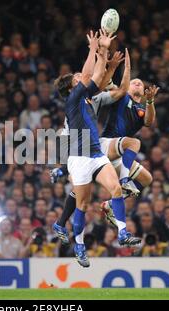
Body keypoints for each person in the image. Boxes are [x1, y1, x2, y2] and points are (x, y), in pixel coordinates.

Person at [53, 30, 140, 268]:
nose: (81, 77)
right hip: (79, 159)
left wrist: (108, 62)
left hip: (96, 155)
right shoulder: (73, 99)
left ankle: (123, 232)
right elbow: (92, 74)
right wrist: (95, 48)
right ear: (72, 87)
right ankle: (78, 243)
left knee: (116, 190)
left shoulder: (88, 98)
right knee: (82, 205)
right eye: (76, 78)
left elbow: (99, 78)